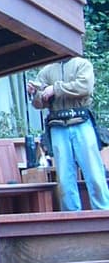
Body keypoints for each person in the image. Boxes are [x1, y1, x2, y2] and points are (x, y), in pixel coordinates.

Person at [27, 57, 109, 212]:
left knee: (94, 173)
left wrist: (55, 89)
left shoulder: (82, 64)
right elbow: (38, 104)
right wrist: (34, 94)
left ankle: (104, 213)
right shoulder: (46, 70)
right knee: (64, 178)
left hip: (81, 121)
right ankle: (71, 217)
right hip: (57, 125)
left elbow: (85, 87)